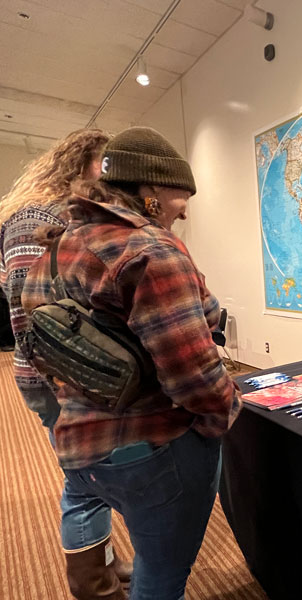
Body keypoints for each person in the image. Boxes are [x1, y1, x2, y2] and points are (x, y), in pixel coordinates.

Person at [20, 126, 242, 600]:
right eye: (182, 196)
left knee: (81, 505)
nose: (186, 209)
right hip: (156, 448)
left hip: (79, 446)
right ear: (152, 193)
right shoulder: (152, 250)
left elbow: (37, 350)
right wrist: (224, 417)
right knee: (161, 577)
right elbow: (196, 379)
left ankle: (93, 587)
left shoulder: (51, 255)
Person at [0, 128, 137, 599]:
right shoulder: (38, 217)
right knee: (87, 481)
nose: (110, 176)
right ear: (83, 163)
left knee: (89, 476)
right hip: (60, 375)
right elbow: (31, 313)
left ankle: (106, 564)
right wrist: (65, 376)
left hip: (63, 373)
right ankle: (95, 586)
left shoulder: (54, 215)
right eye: (105, 165)